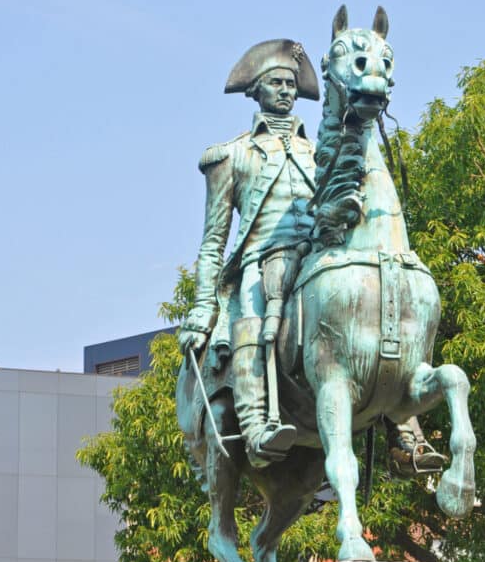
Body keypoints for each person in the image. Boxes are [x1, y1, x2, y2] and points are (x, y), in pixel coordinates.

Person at [178, 39, 446, 474]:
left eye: (290, 85)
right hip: (262, 260)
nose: (285, 92)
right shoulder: (232, 155)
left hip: (320, 252)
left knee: (378, 298)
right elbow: (213, 241)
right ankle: (256, 422)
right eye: (275, 84)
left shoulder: (316, 148)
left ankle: (405, 429)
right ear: (257, 92)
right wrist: (201, 306)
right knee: (251, 308)